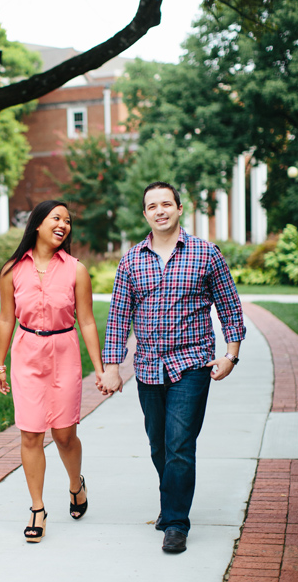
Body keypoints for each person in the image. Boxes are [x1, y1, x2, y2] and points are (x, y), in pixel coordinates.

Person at [101, 181, 245, 554]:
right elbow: (118, 317)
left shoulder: (205, 253)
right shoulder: (132, 259)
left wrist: (231, 354)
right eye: (153, 206)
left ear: (180, 209)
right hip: (148, 367)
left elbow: (229, 306)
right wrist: (112, 367)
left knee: (180, 445)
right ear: (145, 214)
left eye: (167, 204)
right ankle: (171, 504)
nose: (160, 210)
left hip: (192, 364)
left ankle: (176, 522)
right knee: (158, 446)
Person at [0, 200, 105, 543]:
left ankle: (76, 485)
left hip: (64, 353)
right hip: (26, 355)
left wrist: (99, 369)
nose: (63, 225)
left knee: (64, 435)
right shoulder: (12, 270)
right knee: (31, 434)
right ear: (38, 223)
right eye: (56, 218)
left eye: (68, 221)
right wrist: (0, 364)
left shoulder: (76, 270)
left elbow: (86, 321)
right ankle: (37, 508)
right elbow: (6, 319)